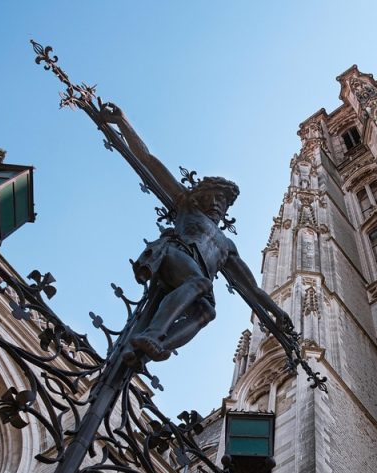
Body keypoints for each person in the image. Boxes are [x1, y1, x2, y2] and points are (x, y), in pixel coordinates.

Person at [99, 103, 292, 363]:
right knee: (202, 284)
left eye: (223, 202)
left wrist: (277, 312)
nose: (218, 204)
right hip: (173, 255)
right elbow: (148, 160)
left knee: (207, 311)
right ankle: (153, 335)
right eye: (214, 197)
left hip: (193, 279)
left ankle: (149, 348)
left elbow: (252, 290)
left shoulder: (226, 246)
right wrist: (123, 123)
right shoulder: (187, 206)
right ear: (200, 196)